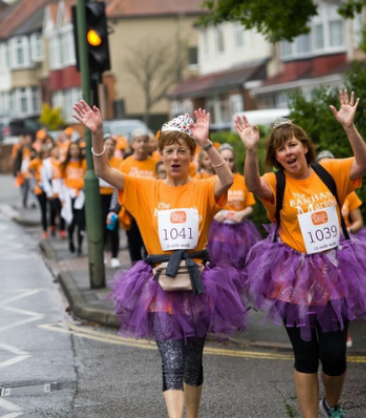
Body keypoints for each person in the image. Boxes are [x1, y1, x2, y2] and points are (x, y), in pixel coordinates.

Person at [73, 101, 248, 418]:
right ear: (161, 156)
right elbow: (102, 170)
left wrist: (207, 142)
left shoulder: (204, 187)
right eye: (169, 151)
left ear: (191, 156)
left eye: (182, 151)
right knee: (172, 360)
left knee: (193, 359)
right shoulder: (144, 188)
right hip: (161, 286)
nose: (175, 157)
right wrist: (97, 133)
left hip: (198, 283)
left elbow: (228, 179)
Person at [235, 90, 366, 418]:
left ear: (304, 147)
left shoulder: (329, 172)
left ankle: (331, 405)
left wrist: (349, 127)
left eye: (292, 144)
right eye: (280, 148)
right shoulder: (276, 183)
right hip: (293, 278)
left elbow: (365, 163)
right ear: (276, 157)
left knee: (333, 356)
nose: (288, 151)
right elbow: (251, 186)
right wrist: (249, 150)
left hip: (335, 274)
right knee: (305, 354)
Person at [316, 150, 366, 348]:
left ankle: (343, 330)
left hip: (346, 248)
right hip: (321, 251)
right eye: (323, 167)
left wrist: (345, 229)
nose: (328, 171)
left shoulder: (349, 192)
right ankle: (323, 331)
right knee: (323, 293)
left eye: (331, 165)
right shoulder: (312, 195)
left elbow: (358, 222)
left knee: (342, 293)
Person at [208, 143, 261, 270]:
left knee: (242, 264)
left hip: (241, 230)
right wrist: (214, 214)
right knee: (220, 264)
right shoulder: (210, 181)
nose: (227, 163)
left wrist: (241, 214)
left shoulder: (242, 180)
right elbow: (203, 206)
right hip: (217, 230)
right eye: (224, 159)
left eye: (230, 160)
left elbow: (250, 206)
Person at [109, 129, 157, 263]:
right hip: (131, 213)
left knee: (150, 250)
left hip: (150, 214)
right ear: (132, 144)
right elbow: (118, 189)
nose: (142, 144)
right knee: (134, 248)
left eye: (145, 141)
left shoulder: (155, 164)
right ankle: (137, 278)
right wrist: (113, 210)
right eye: (138, 141)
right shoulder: (125, 164)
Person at [60, 142, 87, 255]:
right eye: (72, 149)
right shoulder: (64, 165)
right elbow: (61, 181)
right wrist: (62, 197)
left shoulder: (84, 163)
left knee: (81, 222)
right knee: (71, 221)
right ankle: (71, 240)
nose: (75, 151)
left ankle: (80, 246)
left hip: (81, 194)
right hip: (69, 194)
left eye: (77, 149)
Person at [100, 135, 122, 268]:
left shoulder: (119, 161)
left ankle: (114, 256)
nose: (109, 147)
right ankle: (102, 252)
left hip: (114, 195)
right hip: (100, 195)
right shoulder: (98, 159)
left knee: (114, 225)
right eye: (107, 144)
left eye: (111, 144)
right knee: (102, 226)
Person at [41, 145, 66, 239]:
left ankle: (62, 229)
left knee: (62, 210)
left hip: (62, 189)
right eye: (54, 151)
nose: (56, 152)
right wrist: (48, 191)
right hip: (53, 188)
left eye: (58, 150)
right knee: (52, 210)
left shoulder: (63, 161)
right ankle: (52, 225)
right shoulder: (46, 162)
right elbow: (44, 178)